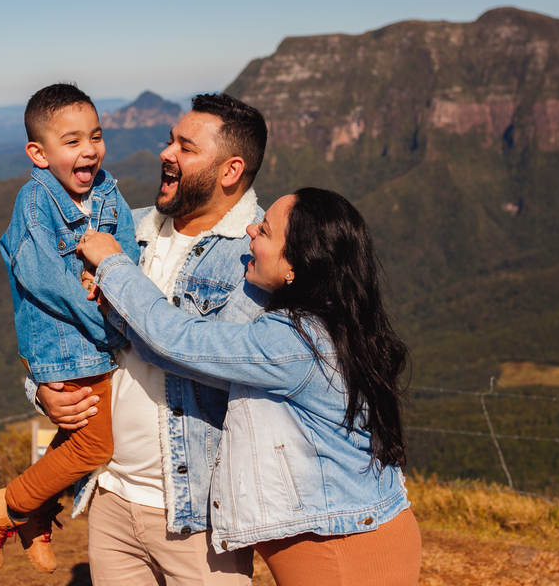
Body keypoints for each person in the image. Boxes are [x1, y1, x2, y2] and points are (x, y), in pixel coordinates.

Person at [77, 187, 421, 586]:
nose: (250, 230)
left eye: (265, 230)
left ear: (296, 265)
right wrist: (113, 309)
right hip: (348, 538)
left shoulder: (296, 344)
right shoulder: (328, 328)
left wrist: (115, 267)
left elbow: (180, 338)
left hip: (341, 556)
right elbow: (183, 357)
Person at [34, 93, 269, 585]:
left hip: (199, 513)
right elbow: (54, 318)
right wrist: (45, 393)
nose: (166, 154)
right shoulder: (126, 227)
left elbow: (204, 357)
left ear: (230, 171)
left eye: (185, 147)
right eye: (169, 140)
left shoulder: (255, 259)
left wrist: (115, 270)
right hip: (111, 494)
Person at [0, 83, 140, 575]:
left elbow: (127, 248)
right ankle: (0, 507)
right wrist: (114, 323)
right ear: (38, 154)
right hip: (64, 339)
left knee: (85, 433)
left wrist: (118, 276)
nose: (89, 149)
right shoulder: (35, 203)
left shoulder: (107, 189)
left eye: (96, 136)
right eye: (72, 140)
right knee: (96, 444)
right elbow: (45, 281)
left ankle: (31, 510)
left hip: (96, 333)